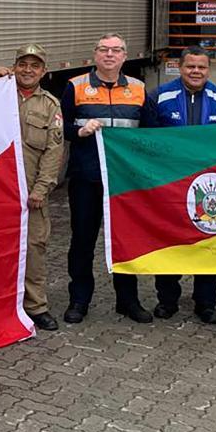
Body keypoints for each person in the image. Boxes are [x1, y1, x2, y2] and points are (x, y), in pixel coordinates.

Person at [142, 45, 216, 324]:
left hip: (209, 188)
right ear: (180, 67)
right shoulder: (158, 97)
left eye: (201, 67)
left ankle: (206, 304)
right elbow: (146, 140)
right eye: (190, 66)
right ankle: (167, 300)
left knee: (209, 242)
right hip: (169, 185)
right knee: (169, 242)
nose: (196, 71)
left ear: (209, 69)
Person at [60, 33, 150, 324]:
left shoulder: (139, 89)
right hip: (86, 178)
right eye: (104, 49)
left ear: (125, 56)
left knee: (125, 240)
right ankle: (79, 300)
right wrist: (80, 132)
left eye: (116, 50)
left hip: (123, 181)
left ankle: (128, 300)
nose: (109, 54)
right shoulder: (75, 86)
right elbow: (60, 127)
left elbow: (151, 133)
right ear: (95, 54)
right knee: (82, 241)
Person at [11, 44, 64, 331]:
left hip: (30, 193)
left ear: (43, 71)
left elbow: (53, 152)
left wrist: (41, 189)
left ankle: (35, 306)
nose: (28, 70)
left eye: (34, 65)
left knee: (33, 248)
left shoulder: (50, 106)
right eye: (23, 64)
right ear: (14, 67)